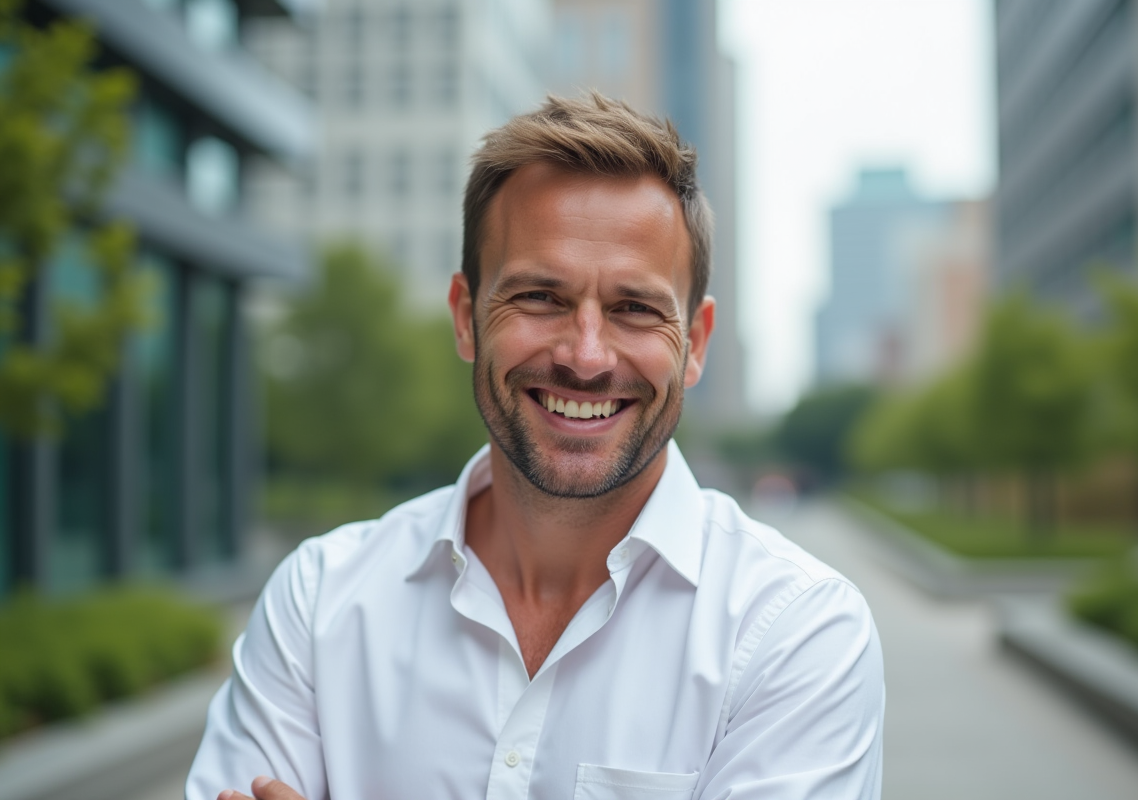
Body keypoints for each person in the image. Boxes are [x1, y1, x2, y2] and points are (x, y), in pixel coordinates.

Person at [188, 93, 884, 800]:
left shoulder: (798, 634)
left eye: (634, 308)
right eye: (540, 298)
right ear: (466, 318)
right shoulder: (317, 603)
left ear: (695, 343)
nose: (585, 357)